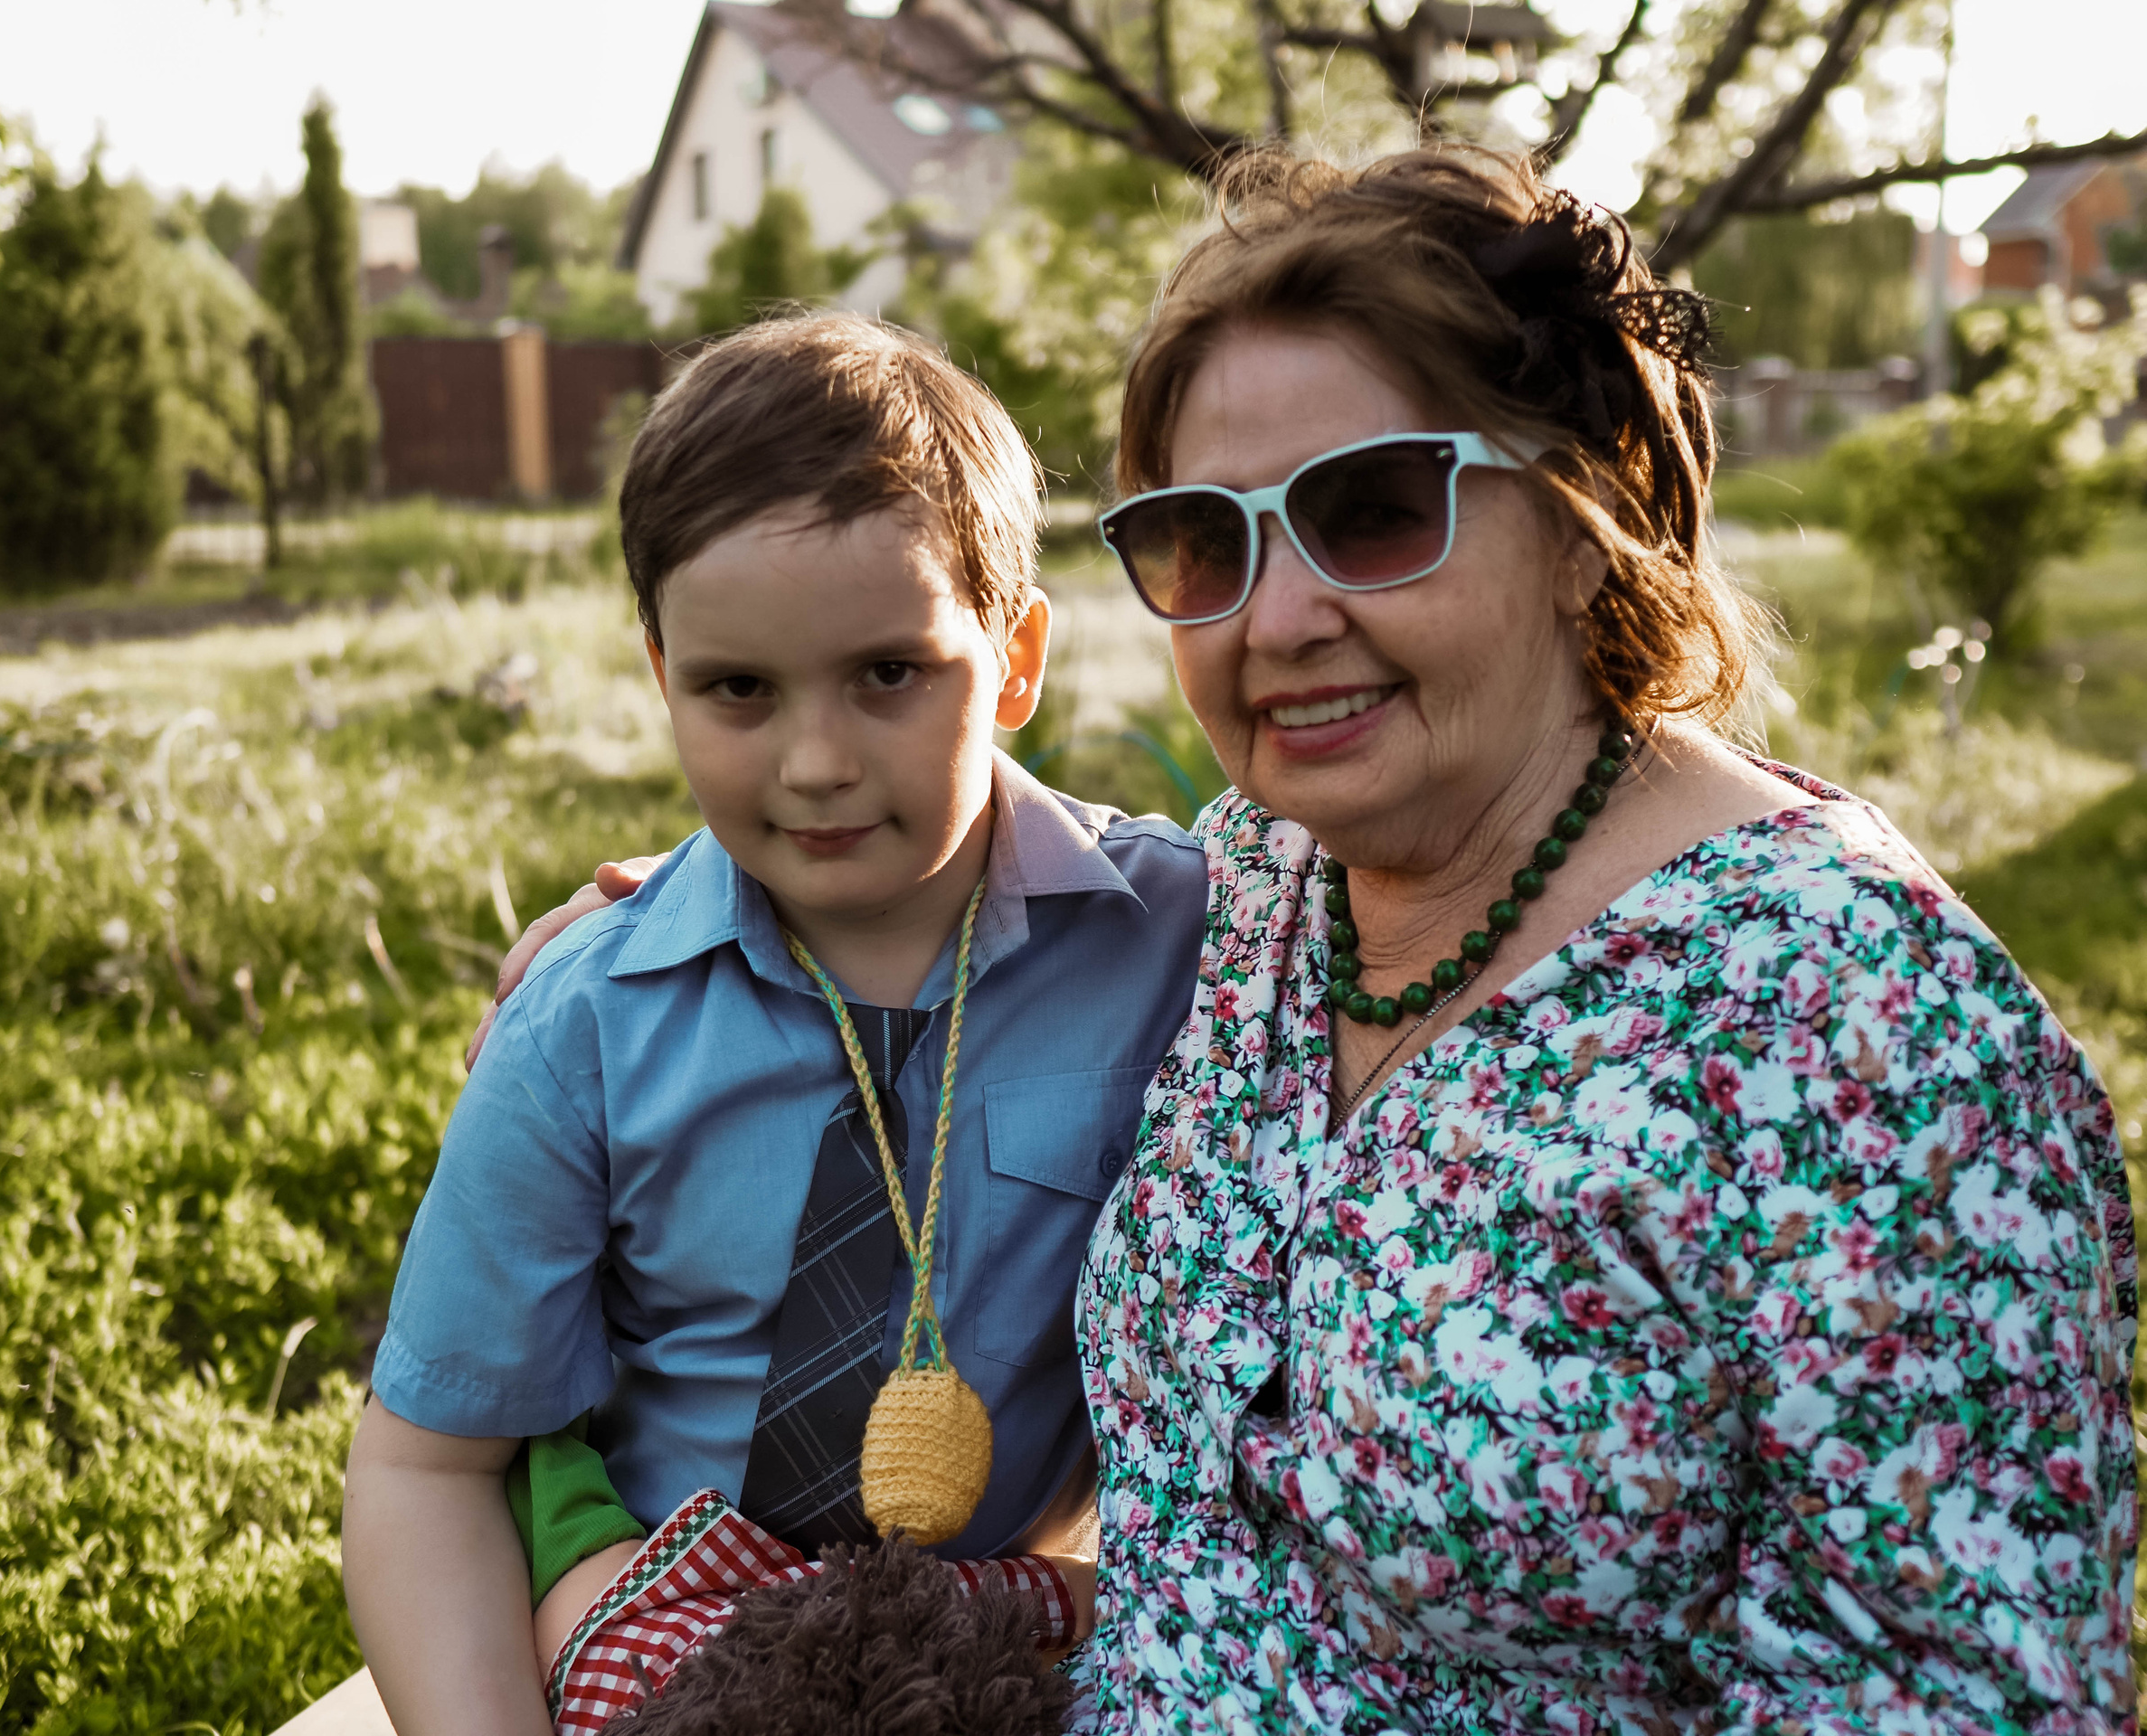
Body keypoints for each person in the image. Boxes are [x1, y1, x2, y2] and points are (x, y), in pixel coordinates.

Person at [498, 146, 2136, 1732]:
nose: (1276, 620)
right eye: (1208, 541)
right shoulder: (1260, 891)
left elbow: (1959, 1688)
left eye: (1369, 510)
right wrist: (715, 911)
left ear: (1583, 514)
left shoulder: (1868, 1032)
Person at [343, 313, 1206, 1734]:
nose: (815, 764)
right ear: (660, 675)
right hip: (659, 1627)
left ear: (1016, 658)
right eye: (738, 690)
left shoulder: (1181, 932)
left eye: (889, 674)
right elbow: (428, 1466)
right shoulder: (593, 1019)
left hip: (999, 1631)